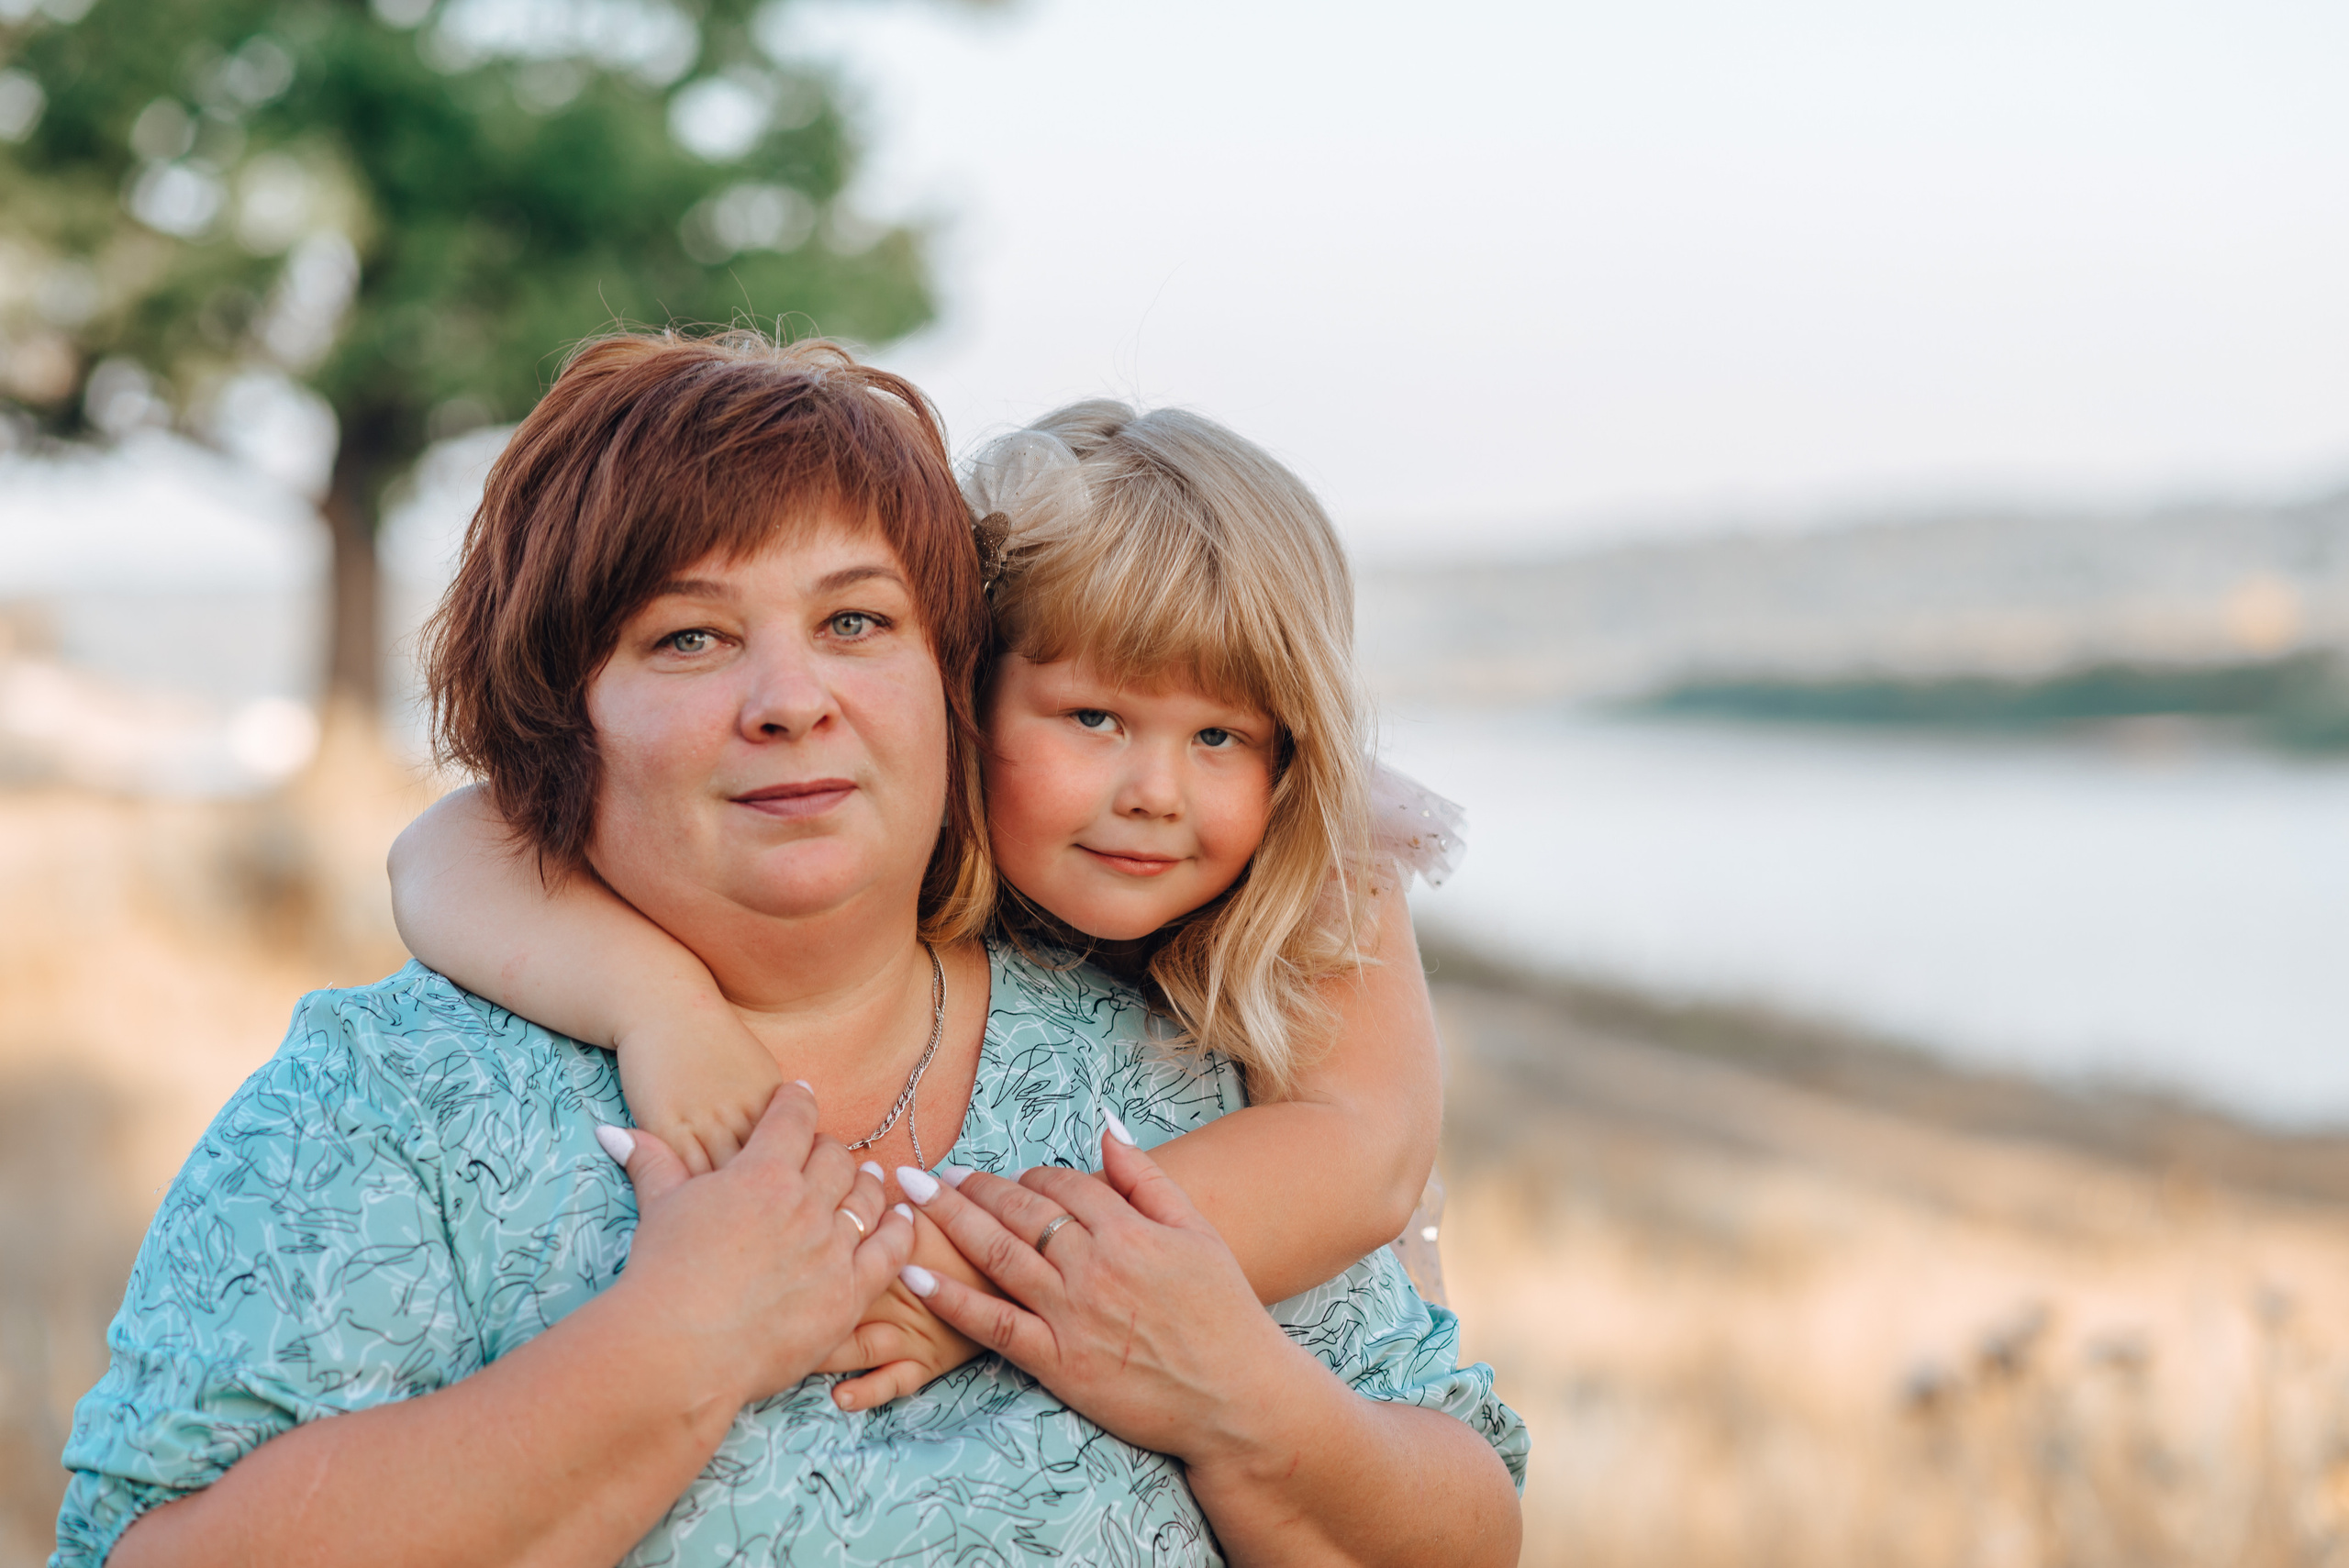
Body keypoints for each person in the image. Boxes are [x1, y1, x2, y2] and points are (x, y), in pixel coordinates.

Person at [54, 331, 1526, 1567]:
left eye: (856, 621)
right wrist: (676, 1344)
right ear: (557, 722)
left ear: (943, 682)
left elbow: (1465, 1503)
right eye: (688, 638)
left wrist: (1235, 1398)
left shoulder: (1186, 1066)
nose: (789, 698)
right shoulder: (397, 1104)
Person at [384, 399, 1472, 1410]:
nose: (1155, 791)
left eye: (1220, 736)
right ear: (962, 691)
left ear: (1289, 748)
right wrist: (659, 1007)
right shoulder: (894, 803)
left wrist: (975, 1264)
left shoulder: (1321, 855)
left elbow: (1366, 1150)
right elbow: (444, 850)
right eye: (1093, 717)